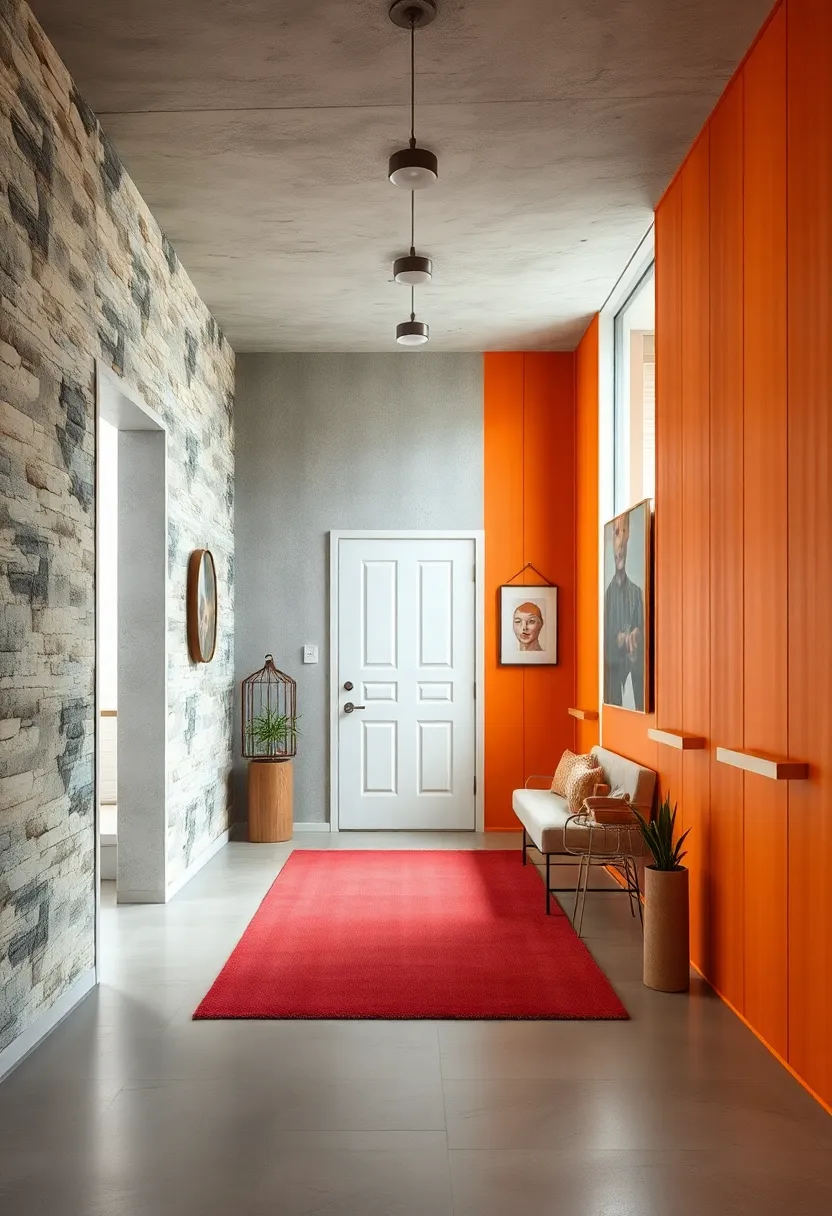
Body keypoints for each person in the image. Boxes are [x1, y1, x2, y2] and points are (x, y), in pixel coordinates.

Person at [604, 512, 645, 709]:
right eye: (616, 533)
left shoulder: (636, 593)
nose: (620, 541)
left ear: (629, 537)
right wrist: (617, 640)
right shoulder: (605, 595)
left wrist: (636, 641)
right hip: (612, 689)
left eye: (624, 532)